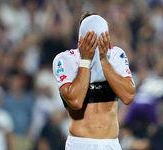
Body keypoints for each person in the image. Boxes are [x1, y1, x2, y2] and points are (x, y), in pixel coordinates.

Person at [52, 12, 136, 150]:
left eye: (99, 37)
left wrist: (104, 61)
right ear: (81, 39)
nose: (95, 43)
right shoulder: (65, 60)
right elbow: (75, 101)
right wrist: (85, 60)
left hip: (111, 143)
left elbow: (128, 96)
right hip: (80, 143)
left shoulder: (116, 56)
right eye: (90, 38)